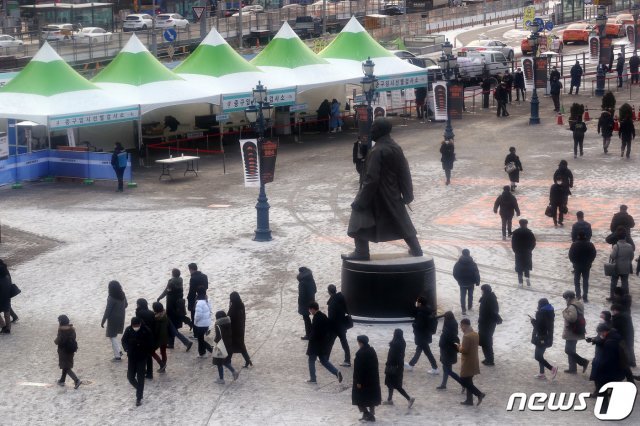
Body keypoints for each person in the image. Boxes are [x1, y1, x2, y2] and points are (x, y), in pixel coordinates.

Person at [342, 117, 423, 261]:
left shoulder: (377, 151)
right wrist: (408, 194)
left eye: (373, 127)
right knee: (401, 220)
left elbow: (371, 179)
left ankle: (361, 251)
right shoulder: (395, 147)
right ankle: (416, 249)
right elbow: (404, 172)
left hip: (376, 194)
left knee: (358, 216)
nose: (371, 130)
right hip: (392, 193)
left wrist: (361, 200)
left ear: (380, 130)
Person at [589, 323, 628, 412]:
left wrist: (600, 368)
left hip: (611, 370)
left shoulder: (610, 343)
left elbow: (608, 359)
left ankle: (604, 409)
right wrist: (595, 340)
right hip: (618, 370)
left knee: (602, 388)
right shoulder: (614, 337)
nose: (600, 335)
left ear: (604, 332)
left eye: (600, 333)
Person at [306, 302, 343, 384]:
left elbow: (314, 332)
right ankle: (336, 372)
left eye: (310, 309)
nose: (309, 311)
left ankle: (313, 378)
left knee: (311, 361)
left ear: (312, 309)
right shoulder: (323, 316)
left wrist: (310, 339)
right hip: (322, 344)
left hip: (315, 345)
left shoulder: (316, 318)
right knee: (324, 361)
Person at [157, 268, 193, 352]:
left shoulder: (171, 282)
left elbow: (166, 292)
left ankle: (186, 342)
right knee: (172, 325)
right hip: (178, 306)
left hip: (171, 306)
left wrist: (159, 298)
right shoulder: (180, 280)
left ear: (173, 274)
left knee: (171, 326)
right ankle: (171, 343)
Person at [121, 317, 154, 406]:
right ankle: (139, 389)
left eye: (137, 325)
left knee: (140, 377)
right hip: (132, 357)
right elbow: (123, 340)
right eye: (134, 325)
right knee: (130, 377)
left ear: (140, 324)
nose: (135, 327)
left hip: (142, 358)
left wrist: (145, 350)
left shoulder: (146, 330)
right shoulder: (128, 330)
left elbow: (151, 343)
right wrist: (126, 348)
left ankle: (139, 397)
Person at [382, 329, 415, 408]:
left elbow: (392, 357)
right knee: (390, 384)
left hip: (393, 367)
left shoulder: (395, 344)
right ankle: (389, 400)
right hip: (398, 367)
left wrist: (388, 363)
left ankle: (409, 398)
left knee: (396, 385)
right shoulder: (402, 343)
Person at [352, 335, 381, 422]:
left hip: (362, 381)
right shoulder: (372, 351)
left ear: (361, 343)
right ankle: (370, 414)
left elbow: (359, 369)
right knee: (371, 398)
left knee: (358, 399)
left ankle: (368, 415)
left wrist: (358, 381)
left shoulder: (360, 354)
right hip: (372, 381)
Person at [456, 318, 485, 406]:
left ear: (464, 325)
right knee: (469, 381)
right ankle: (469, 400)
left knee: (463, 380)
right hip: (474, 361)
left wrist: (458, 347)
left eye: (461, 326)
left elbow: (464, 350)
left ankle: (479, 394)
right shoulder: (475, 334)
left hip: (467, 362)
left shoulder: (466, 336)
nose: (461, 328)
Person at [407, 296, 439, 374]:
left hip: (421, 336)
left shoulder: (421, 313)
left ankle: (435, 368)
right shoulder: (427, 310)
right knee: (419, 350)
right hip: (426, 335)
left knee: (427, 352)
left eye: (417, 302)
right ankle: (411, 364)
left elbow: (419, 325)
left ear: (420, 303)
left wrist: (414, 324)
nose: (416, 303)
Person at [561, 291, 589, 374]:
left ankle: (583, 362)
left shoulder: (572, 306)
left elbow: (572, 318)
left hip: (571, 331)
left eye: (565, 299)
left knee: (568, 350)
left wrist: (564, 313)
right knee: (571, 350)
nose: (565, 300)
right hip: (576, 330)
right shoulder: (578, 304)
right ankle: (572, 368)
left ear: (569, 298)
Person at [530, 298, 558, 380]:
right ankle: (542, 373)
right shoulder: (549, 312)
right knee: (540, 356)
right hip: (547, 337)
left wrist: (533, 321)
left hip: (541, 337)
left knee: (538, 356)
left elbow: (539, 327)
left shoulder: (541, 313)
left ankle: (552, 369)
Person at [100, 280, 128, 361]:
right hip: (121, 317)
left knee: (112, 336)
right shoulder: (122, 294)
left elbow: (108, 310)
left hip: (113, 319)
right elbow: (126, 304)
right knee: (113, 336)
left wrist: (103, 321)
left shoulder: (111, 297)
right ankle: (118, 352)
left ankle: (118, 355)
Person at [327, 284, 351, 367]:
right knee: (344, 342)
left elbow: (331, 317)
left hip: (334, 327)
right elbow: (347, 310)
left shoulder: (332, 303)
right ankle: (347, 360)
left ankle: (325, 358)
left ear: (329, 292)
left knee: (329, 342)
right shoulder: (341, 298)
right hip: (342, 325)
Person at [54, 315, 81, 389]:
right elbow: (73, 337)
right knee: (65, 366)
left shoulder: (61, 330)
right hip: (71, 350)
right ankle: (62, 380)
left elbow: (59, 340)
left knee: (66, 367)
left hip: (63, 351)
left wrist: (55, 341)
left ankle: (76, 380)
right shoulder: (72, 329)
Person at [212, 310, 240, 384]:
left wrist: (214, 345)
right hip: (229, 345)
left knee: (219, 363)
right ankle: (234, 372)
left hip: (220, 346)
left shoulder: (218, 325)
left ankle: (221, 379)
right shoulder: (229, 323)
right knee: (225, 362)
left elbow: (218, 337)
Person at [569, 231, 597, 303]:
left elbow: (570, 255)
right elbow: (593, 254)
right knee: (585, 281)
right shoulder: (590, 244)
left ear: (578, 236)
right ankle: (585, 296)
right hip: (586, 265)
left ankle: (578, 295)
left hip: (577, 265)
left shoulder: (574, 245)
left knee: (577, 281)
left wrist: (574, 262)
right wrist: (590, 261)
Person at [437, 311, 461, 390]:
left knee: (448, 370)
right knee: (447, 369)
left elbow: (443, 341)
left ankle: (463, 383)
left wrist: (441, 344)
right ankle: (444, 384)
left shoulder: (447, 329)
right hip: (450, 352)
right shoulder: (453, 327)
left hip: (446, 352)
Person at [478, 284, 501, 366]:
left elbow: (494, 312)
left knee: (487, 342)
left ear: (485, 291)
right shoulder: (488, 298)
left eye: (482, 290)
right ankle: (488, 358)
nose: (481, 292)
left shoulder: (490, 299)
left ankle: (490, 360)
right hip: (485, 324)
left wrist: (497, 319)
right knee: (484, 341)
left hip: (487, 325)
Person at [228, 291, 252, 368]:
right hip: (240, 329)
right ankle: (248, 360)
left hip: (234, 331)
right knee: (241, 346)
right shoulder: (241, 305)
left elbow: (229, 318)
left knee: (231, 346)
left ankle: (228, 361)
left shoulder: (233, 308)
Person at [452, 249, 481, 315]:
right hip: (471, 283)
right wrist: (477, 281)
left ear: (462, 254)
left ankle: (463, 309)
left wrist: (459, 280)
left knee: (462, 296)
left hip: (462, 284)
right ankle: (470, 307)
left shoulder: (458, 263)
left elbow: (454, 273)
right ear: (469, 254)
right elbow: (476, 273)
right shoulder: (473, 263)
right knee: (470, 295)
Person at [608, 230, 634, 297]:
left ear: (618, 238)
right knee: (625, 283)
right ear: (625, 237)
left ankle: (612, 296)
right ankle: (625, 296)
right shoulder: (630, 246)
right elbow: (631, 257)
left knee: (613, 282)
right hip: (626, 267)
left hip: (617, 268)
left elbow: (613, 256)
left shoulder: (616, 246)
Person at [511, 219, 536, 287]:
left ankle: (520, 281)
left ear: (520, 224)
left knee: (519, 266)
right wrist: (530, 249)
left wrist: (515, 250)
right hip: (527, 252)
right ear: (526, 224)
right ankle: (527, 278)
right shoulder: (529, 233)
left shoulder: (516, 233)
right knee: (526, 266)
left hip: (518, 252)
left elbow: (513, 244)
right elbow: (533, 243)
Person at [135, 298, 155, 379]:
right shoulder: (151, 313)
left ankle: (143, 371)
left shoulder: (139, 313)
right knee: (149, 356)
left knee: (141, 356)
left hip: (142, 337)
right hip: (150, 337)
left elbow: (138, 325)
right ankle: (150, 373)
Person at [611, 304, 636, 368]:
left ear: (616, 310)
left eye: (613, 310)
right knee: (630, 349)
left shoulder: (619, 318)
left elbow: (617, 327)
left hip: (623, 337)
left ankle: (628, 363)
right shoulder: (625, 316)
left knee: (625, 350)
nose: (612, 312)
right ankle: (632, 362)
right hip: (629, 336)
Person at [297, 266, 316, 340]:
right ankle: (312, 332)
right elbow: (315, 290)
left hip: (304, 304)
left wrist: (300, 303)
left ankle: (309, 334)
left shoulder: (302, 283)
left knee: (306, 319)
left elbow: (302, 295)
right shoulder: (311, 279)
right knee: (311, 318)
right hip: (312, 301)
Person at [193, 287, 213, 357]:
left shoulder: (199, 303)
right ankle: (202, 352)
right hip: (206, 323)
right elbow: (210, 311)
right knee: (200, 339)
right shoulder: (208, 300)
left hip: (201, 324)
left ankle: (209, 350)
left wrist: (195, 321)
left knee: (200, 339)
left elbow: (198, 315)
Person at [151, 302, 169, 373]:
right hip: (165, 337)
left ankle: (161, 364)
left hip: (159, 338)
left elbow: (156, 330)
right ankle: (163, 367)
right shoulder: (165, 315)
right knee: (163, 352)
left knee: (151, 351)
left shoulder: (157, 319)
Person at [0, 261, 12, 334]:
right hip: (7, 292)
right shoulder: (4, 268)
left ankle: (4, 326)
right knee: (6, 310)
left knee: (6, 309)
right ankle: (8, 328)